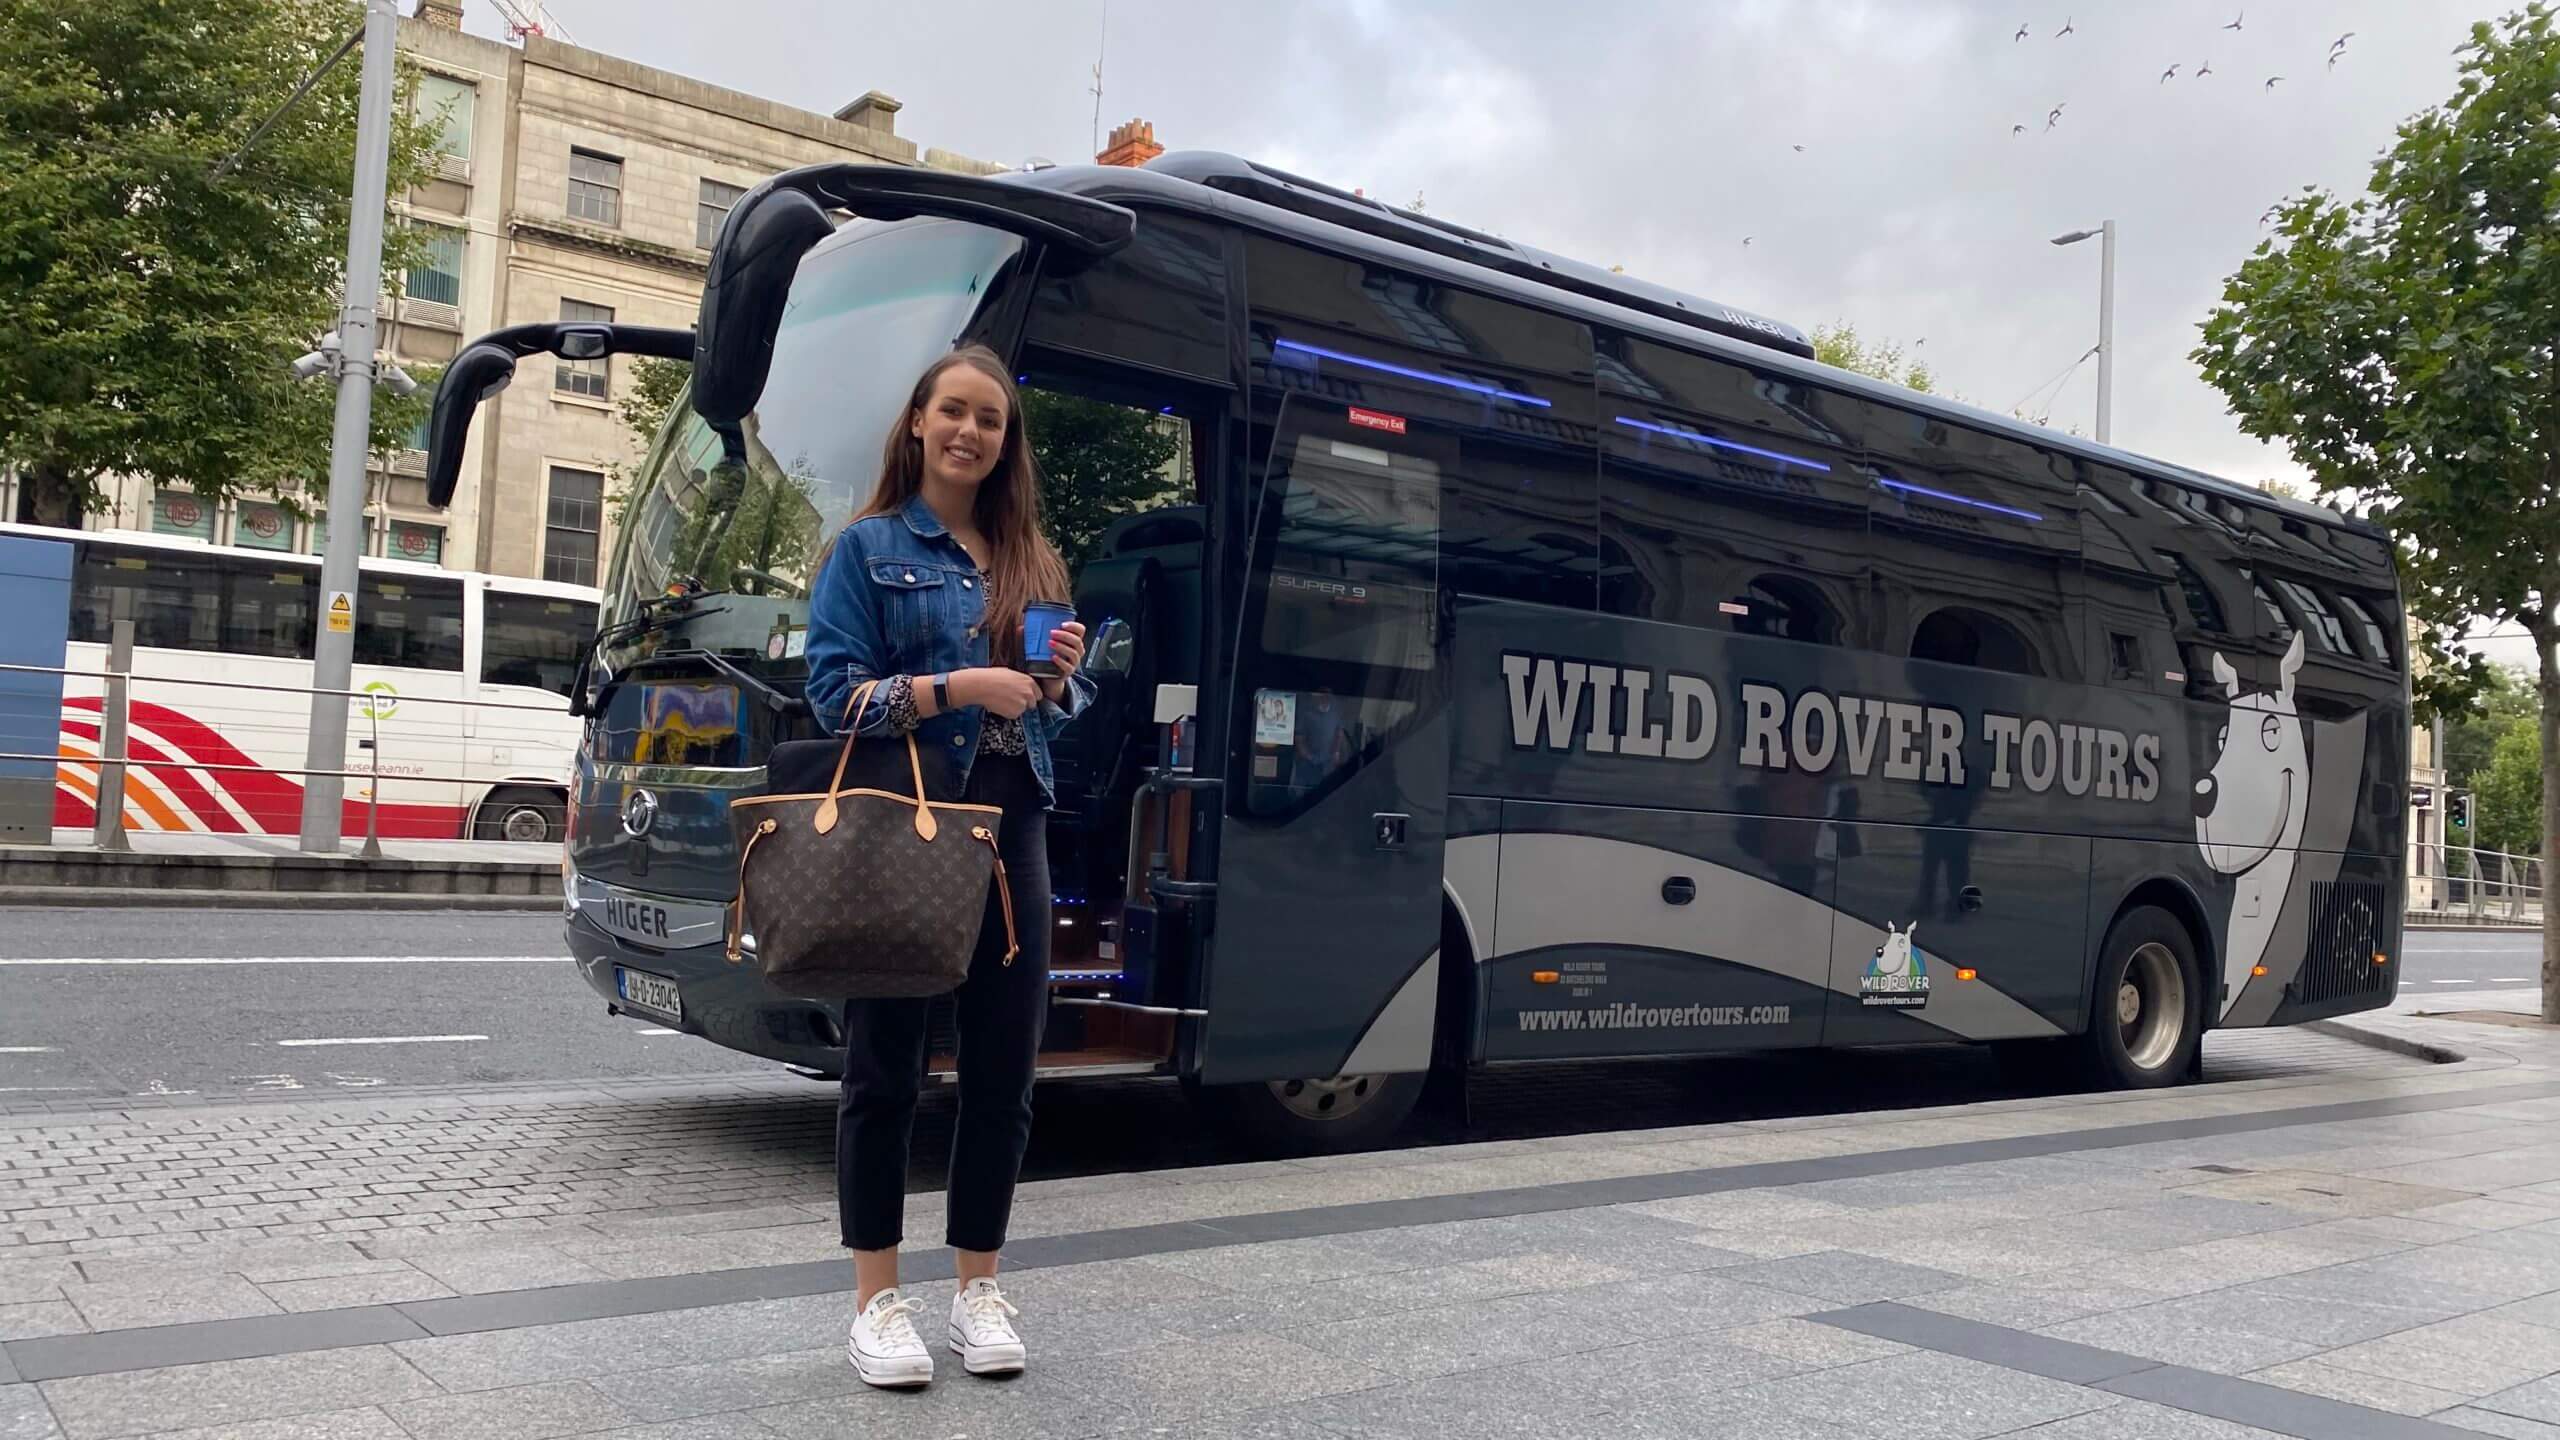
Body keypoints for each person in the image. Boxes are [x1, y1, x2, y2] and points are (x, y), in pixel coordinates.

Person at [800, 345, 1092, 1389]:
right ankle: (877, 1303)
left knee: (1005, 1071)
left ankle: (978, 1290)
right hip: (910, 823)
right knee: (885, 1066)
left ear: (1007, 443)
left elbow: (1058, 707)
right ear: (919, 423)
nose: (970, 432)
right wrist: (960, 687)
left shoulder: (1032, 558)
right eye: (954, 412)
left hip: (1015, 827)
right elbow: (832, 695)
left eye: (991, 420)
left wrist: (1059, 682)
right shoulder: (868, 547)